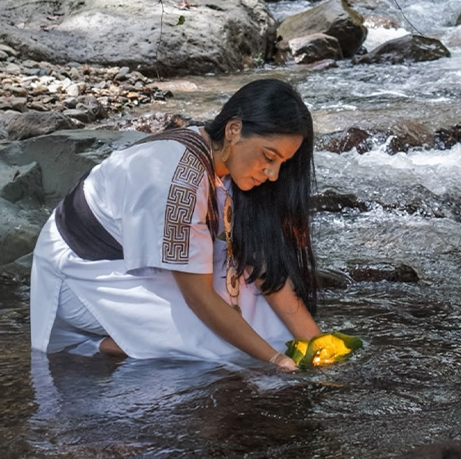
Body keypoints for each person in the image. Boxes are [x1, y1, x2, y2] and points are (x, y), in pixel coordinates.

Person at [30, 78, 320, 371]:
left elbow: (260, 262)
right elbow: (200, 298)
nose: (272, 174)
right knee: (221, 349)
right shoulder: (179, 179)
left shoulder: (225, 161)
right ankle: (89, 345)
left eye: (282, 163)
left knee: (273, 327)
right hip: (83, 272)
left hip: (140, 258)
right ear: (234, 130)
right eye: (269, 157)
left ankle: (138, 341)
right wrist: (275, 360)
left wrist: (316, 342)